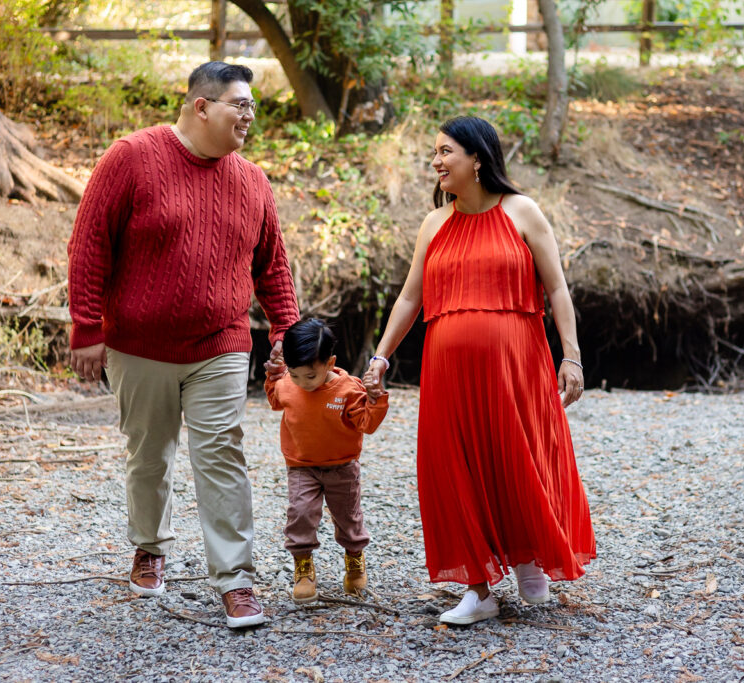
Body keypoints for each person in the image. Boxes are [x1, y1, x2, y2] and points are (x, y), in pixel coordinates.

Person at [66, 62, 299, 629]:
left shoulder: (252, 181)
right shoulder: (131, 158)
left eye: (252, 106)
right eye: (239, 105)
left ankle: (236, 581)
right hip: (139, 344)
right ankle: (150, 545)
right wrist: (87, 328)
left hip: (220, 343)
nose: (249, 116)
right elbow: (90, 243)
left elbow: (272, 266)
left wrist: (287, 331)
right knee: (150, 454)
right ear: (201, 106)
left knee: (221, 454)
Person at [363, 116, 596, 626]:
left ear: (478, 158)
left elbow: (557, 290)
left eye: (446, 151)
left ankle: (529, 557)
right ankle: (478, 589)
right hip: (447, 372)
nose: (436, 161)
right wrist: (380, 356)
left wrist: (572, 356)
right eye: (435, 152)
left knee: (518, 456)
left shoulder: (523, 212)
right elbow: (409, 298)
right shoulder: (435, 223)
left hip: (517, 367)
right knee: (457, 468)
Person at [264, 318, 388, 603]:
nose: (302, 384)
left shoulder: (348, 390)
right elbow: (275, 399)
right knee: (300, 513)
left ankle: (354, 558)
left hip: (341, 465)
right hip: (301, 465)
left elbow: (366, 424)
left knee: (348, 516)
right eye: (295, 375)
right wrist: (274, 376)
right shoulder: (288, 383)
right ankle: (303, 567)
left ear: (330, 363)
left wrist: (374, 398)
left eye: (310, 376)